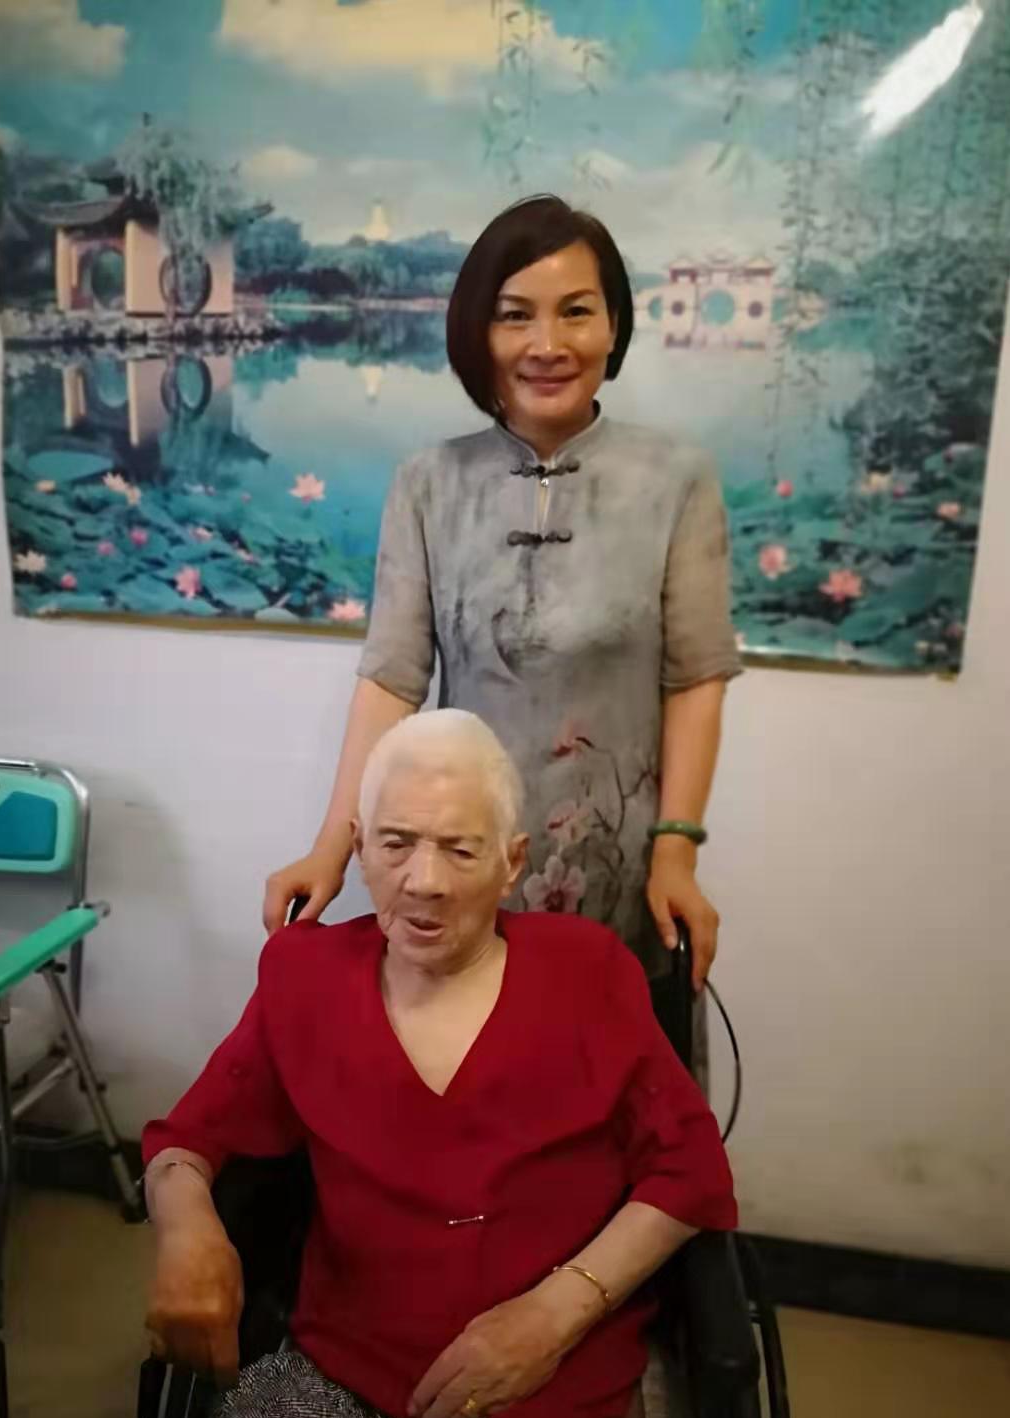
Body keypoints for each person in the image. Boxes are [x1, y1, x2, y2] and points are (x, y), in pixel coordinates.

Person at [145, 711, 736, 1418]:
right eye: (396, 844)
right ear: (359, 847)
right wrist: (187, 1230)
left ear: (512, 862)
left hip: (544, 1387)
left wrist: (554, 1315)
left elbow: (690, 1171)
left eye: (460, 850)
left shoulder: (587, 973)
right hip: (335, 1374)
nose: (424, 882)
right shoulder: (304, 975)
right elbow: (187, 1140)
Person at [264, 195, 740, 996]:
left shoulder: (675, 480)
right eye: (515, 315)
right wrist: (331, 849)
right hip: (456, 865)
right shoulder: (428, 483)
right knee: (461, 1056)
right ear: (478, 334)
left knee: (602, 1056)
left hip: (619, 874)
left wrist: (676, 851)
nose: (548, 345)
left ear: (614, 325)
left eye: (576, 311)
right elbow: (390, 682)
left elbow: (695, 679)